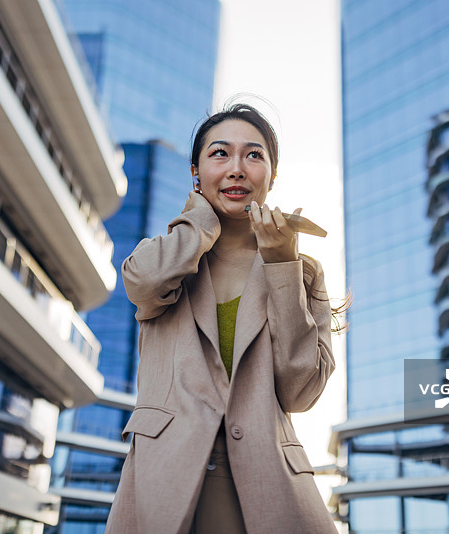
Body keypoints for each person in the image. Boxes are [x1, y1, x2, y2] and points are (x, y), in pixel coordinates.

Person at [104, 103, 339, 534]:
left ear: (272, 175)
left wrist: (281, 265)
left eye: (253, 155)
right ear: (195, 171)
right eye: (219, 154)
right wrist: (199, 222)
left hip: (268, 487)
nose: (236, 169)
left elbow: (301, 391)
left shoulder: (303, 272)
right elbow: (143, 284)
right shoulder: (166, 258)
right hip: (166, 481)